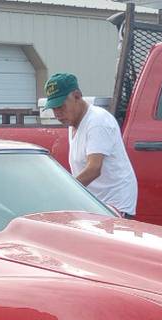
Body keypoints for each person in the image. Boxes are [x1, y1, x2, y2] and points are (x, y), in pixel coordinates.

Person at [44, 72, 138, 218]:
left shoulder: (97, 122)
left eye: (61, 106)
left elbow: (94, 169)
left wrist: (64, 193)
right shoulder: (73, 122)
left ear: (77, 96)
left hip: (114, 204)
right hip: (95, 203)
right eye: (53, 108)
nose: (57, 113)